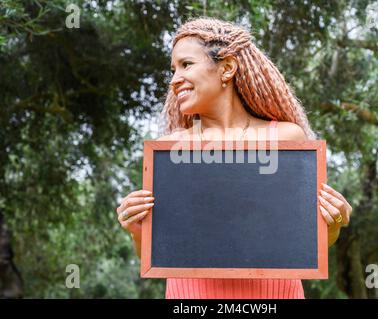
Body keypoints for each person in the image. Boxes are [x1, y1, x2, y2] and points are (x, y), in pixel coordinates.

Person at [116, 17, 352, 299]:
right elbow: (158, 254)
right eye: (173, 69)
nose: (175, 80)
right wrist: (135, 227)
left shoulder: (285, 139)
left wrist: (334, 222)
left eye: (186, 65)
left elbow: (304, 245)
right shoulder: (170, 151)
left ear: (227, 68)